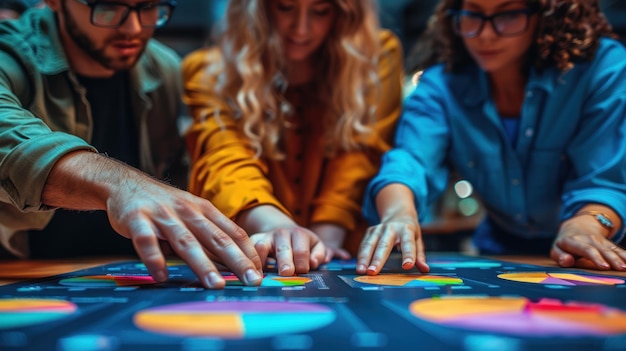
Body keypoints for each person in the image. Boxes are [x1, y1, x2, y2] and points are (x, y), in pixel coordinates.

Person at [0, 0, 264, 289]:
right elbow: (9, 137)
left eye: (149, 7)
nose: (133, 28)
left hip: (132, 280)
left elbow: (183, 176)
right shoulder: (10, 52)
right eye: (108, 7)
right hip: (19, 276)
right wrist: (122, 185)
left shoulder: (164, 69)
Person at [359, 0, 626, 275]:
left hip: (592, 250)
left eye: (508, 15)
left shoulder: (601, 68)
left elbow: (605, 180)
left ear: (547, 16)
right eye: (473, 15)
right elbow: (411, 160)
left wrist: (586, 225)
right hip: (501, 250)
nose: (486, 34)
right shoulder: (442, 84)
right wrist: (398, 213)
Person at [183, 0, 403, 276]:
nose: (301, 29)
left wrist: (326, 239)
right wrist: (274, 227)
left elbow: (360, 154)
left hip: (345, 254)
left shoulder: (376, 56)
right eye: (285, 7)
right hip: (257, 249)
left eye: (320, 11)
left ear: (345, 13)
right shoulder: (209, 71)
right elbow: (224, 158)